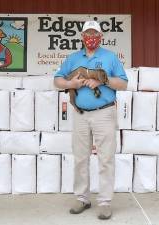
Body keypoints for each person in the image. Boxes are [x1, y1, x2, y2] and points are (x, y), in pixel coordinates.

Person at [54, 20, 127, 220]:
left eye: (95, 34)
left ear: (101, 37)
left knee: (106, 159)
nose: (91, 37)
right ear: (82, 37)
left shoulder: (110, 58)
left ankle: (104, 202)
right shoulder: (73, 58)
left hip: (104, 112)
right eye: (88, 34)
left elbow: (123, 83)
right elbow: (57, 80)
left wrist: (102, 79)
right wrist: (72, 83)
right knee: (80, 158)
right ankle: (82, 198)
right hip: (80, 114)